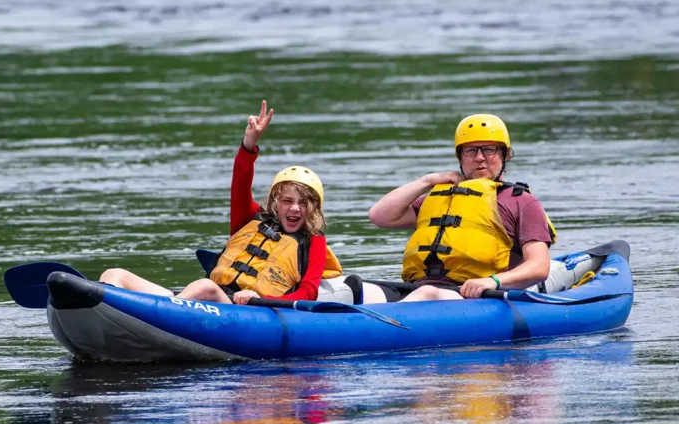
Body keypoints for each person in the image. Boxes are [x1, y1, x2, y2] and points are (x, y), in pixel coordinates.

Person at [99, 101, 344, 305]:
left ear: (312, 208)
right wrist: (249, 145)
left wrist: (259, 297)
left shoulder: (314, 241)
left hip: (247, 309)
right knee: (114, 274)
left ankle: (156, 318)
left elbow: (308, 294)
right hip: (199, 300)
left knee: (205, 287)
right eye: (288, 201)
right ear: (275, 203)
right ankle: (104, 317)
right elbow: (239, 184)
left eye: (303, 203)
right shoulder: (250, 220)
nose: (294, 208)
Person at [367, 114, 555, 302]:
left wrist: (492, 281)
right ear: (460, 157)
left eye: (489, 150)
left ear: (505, 155)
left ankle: (387, 325)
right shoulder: (440, 199)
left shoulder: (521, 201)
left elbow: (539, 266)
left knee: (428, 294)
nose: (480, 158)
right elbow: (379, 216)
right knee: (353, 287)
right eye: (470, 151)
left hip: (472, 294)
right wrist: (429, 180)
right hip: (414, 288)